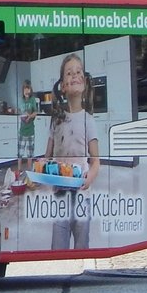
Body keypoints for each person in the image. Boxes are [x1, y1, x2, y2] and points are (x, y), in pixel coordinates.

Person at [46, 53, 100, 250]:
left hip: (81, 196)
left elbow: (96, 161)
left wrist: (89, 178)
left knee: (81, 246)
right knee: (57, 247)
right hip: (59, 194)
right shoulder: (56, 120)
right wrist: (38, 175)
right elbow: (47, 158)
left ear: (84, 83)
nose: (74, 75)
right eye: (69, 73)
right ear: (62, 86)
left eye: (78, 72)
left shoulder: (88, 121)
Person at [17, 79, 39, 177]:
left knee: (30, 153)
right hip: (22, 131)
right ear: (23, 90)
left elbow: (35, 112)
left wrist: (29, 116)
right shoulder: (21, 100)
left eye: (28, 89)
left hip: (30, 130)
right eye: (25, 89)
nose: (27, 91)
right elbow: (19, 112)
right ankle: (19, 170)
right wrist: (22, 115)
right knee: (20, 153)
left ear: (30, 90)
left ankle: (29, 171)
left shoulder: (32, 100)